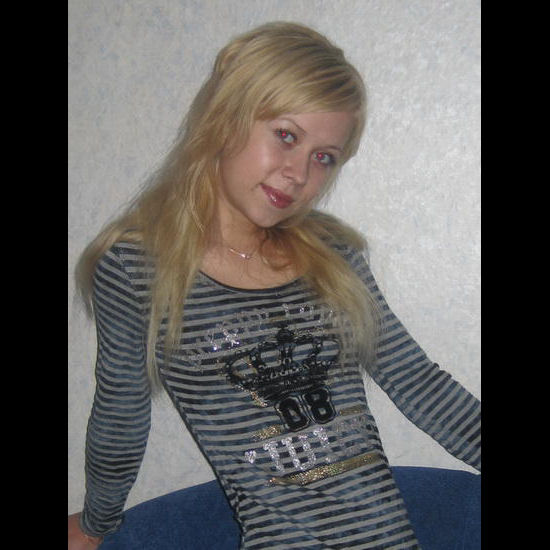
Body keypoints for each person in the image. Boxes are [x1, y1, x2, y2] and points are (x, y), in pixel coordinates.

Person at [68, 21, 480, 549]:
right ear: (226, 116)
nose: (298, 174)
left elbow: (419, 383)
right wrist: (97, 523)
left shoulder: (332, 256)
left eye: (323, 158)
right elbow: (121, 413)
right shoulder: (137, 267)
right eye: (286, 136)